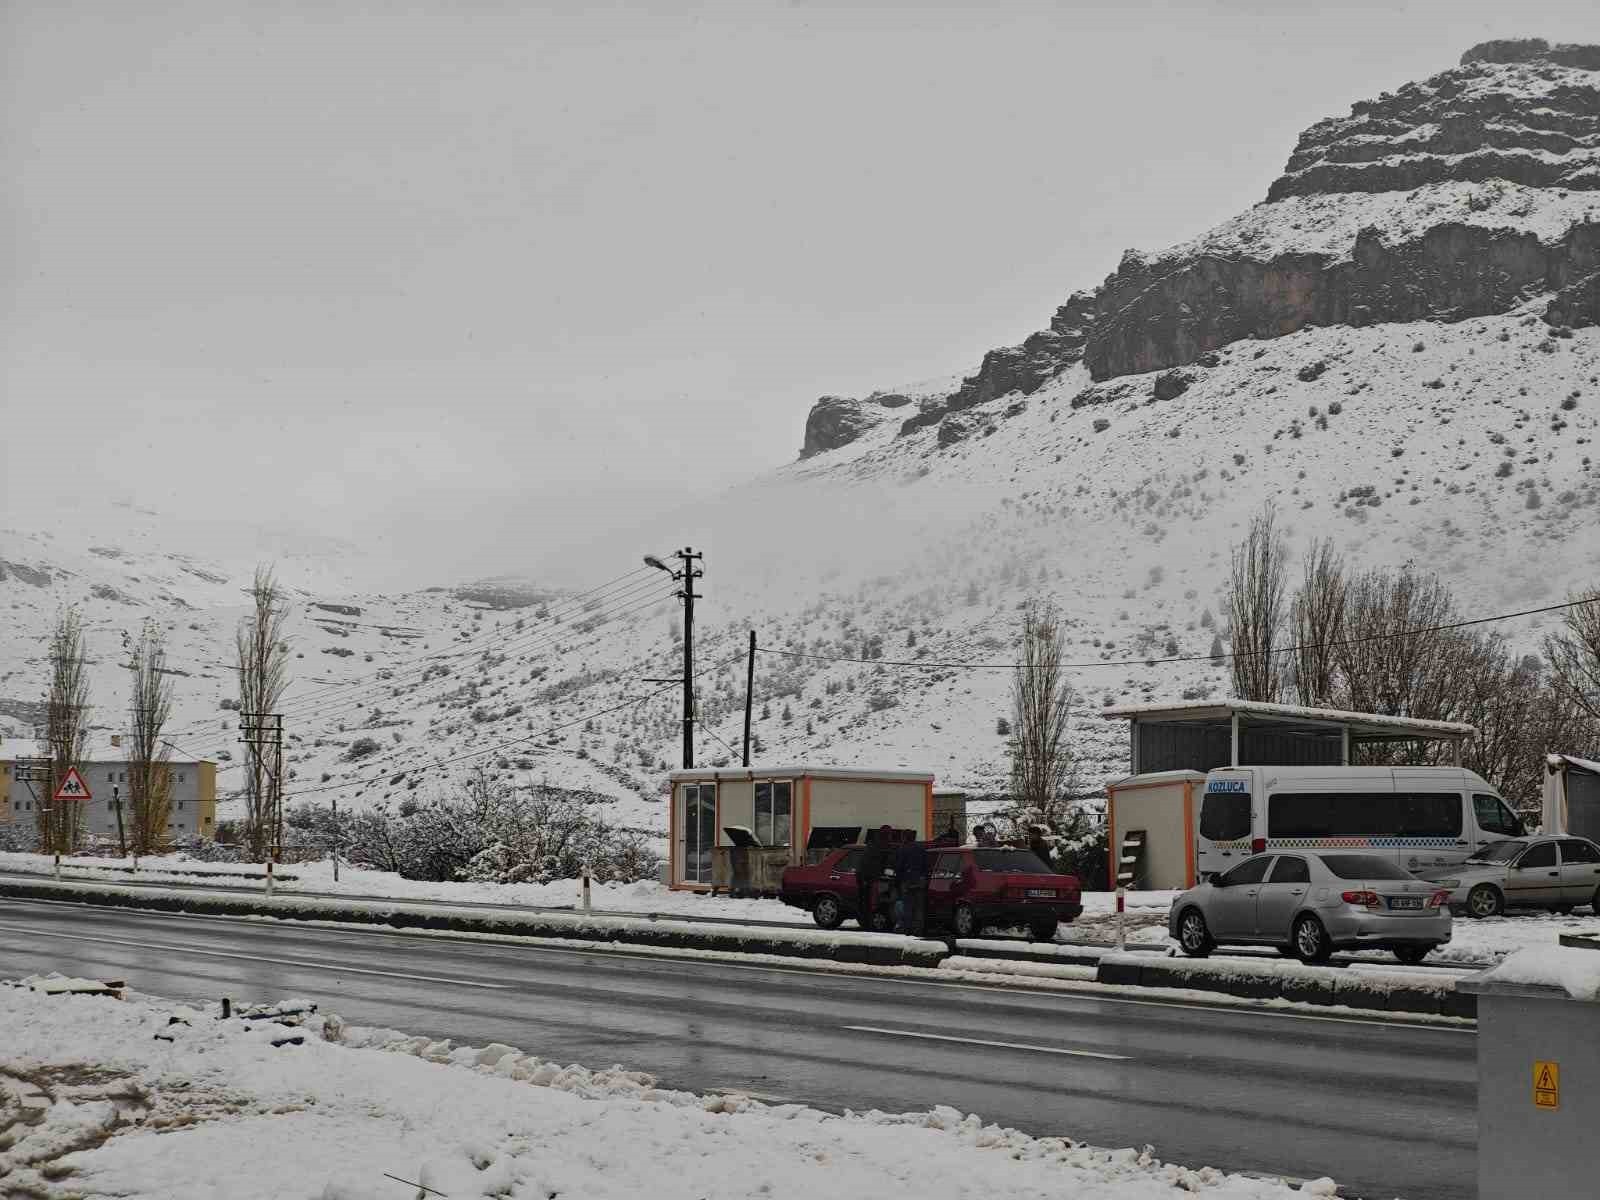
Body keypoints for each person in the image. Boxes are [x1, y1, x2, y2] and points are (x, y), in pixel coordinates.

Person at [856, 825, 891, 930]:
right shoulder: (881, 845)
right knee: (870, 903)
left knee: (865, 902)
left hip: (864, 877)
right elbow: (882, 861)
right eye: (889, 834)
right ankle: (868, 925)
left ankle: (866, 924)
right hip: (869, 878)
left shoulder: (873, 844)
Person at [892, 836, 928, 936]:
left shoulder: (903, 849)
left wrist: (897, 881)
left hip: (907, 882)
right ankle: (918, 930)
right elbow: (926, 865)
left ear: (904, 839)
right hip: (920, 881)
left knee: (908, 907)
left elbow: (899, 867)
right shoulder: (921, 849)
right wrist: (923, 878)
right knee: (919, 908)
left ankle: (907, 929)